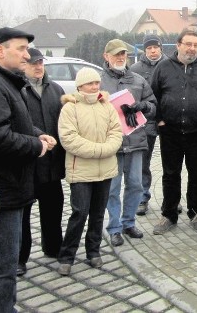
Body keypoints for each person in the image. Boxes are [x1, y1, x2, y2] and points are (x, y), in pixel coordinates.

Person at [0, 27, 57, 313]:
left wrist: (36, 133)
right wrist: (35, 146)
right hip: (2, 190)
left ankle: (4, 305)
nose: (27, 54)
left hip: (12, 187)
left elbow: (13, 123)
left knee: (4, 261)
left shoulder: (6, 81)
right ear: (0, 51)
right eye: (20, 48)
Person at [150, 29, 197, 234]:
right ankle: (169, 214)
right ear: (178, 45)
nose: (192, 48)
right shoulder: (163, 67)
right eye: (188, 44)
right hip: (170, 131)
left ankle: (196, 212)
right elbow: (153, 96)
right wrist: (159, 119)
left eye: (196, 45)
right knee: (171, 174)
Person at [56, 67, 123, 276]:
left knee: (97, 214)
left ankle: (93, 251)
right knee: (79, 213)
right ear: (80, 86)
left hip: (105, 170)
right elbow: (69, 139)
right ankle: (67, 255)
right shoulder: (70, 108)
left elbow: (116, 131)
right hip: (82, 171)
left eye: (96, 83)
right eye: (89, 84)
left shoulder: (107, 106)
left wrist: (107, 148)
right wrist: (99, 150)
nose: (94, 87)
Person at [101, 39, 156, 246]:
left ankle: (129, 222)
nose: (120, 57)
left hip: (136, 140)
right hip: (112, 144)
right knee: (113, 188)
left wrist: (143, 106)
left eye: (123, 53)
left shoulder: (138, 80)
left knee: (135, 185)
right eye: (116, 54)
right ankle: (114, 227)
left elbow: (153, 105)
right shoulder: (99, 81)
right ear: (106, 56)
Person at [18, 48, 66, 276]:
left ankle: (53, 246)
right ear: (24, 65)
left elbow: (64, 122)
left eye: (41, 63)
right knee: (23, 215)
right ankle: (20, 258)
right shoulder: (18, 90)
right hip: (28, 162)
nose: (38, 67)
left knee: (54, 208)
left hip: (52, 163)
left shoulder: (55, 89)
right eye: (33, 63)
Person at [131, 34, 168, 216]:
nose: (153, 51)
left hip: (168, 121)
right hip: (146, 122)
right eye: (149, 48)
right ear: (144, 50)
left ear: (161, 48)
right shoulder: (135, 69)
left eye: (155, 47)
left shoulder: (171, 64)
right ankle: (142, 198)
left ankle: (171, 198)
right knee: (143, 163)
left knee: (171, 163)